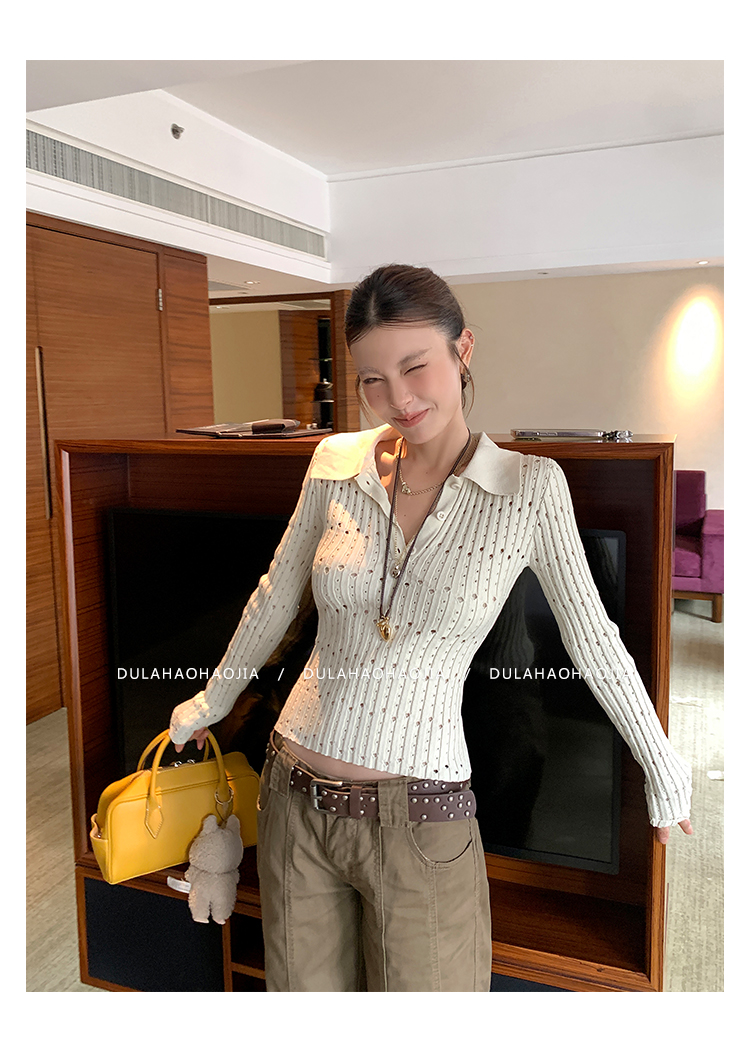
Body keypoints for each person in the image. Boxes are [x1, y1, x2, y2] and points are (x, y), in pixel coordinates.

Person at [170, 263, 693, 992]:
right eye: (372, 379)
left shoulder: (529, 489)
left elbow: (595, 640)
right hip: (292, 798)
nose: (399, 399)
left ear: (463, 349)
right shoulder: (334, 463)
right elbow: (275, 595)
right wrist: (210, 700)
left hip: (421, 818)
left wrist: (662, 764)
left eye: (415, 366)